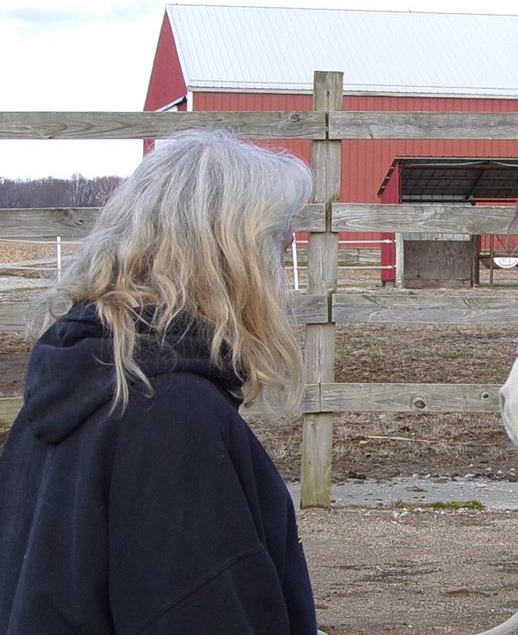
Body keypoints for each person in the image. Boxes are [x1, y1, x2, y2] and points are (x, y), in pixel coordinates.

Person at [0, 131, 318, 634]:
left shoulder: (69, 388)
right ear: (231, 258)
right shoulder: (171, 418)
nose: (284, 257)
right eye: (278, 237)